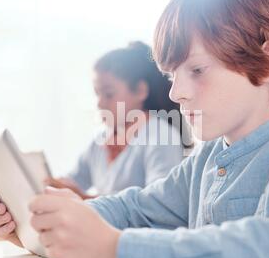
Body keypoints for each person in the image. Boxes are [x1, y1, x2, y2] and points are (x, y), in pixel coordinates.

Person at [0, 0, 269, 258]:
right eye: (171, 75)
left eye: (197, 70)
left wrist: (119, 251)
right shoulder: (205, 163)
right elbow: (133, 210)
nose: (175, 92)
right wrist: (46, 219)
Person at [45, 41, 189, 199]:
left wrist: (83, 200)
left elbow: (159, 205)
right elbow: (73, 181)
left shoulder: (162, 138)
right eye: (97, 94)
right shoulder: (101, 141)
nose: (99, 103)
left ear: (140, 91)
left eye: (108, 94)